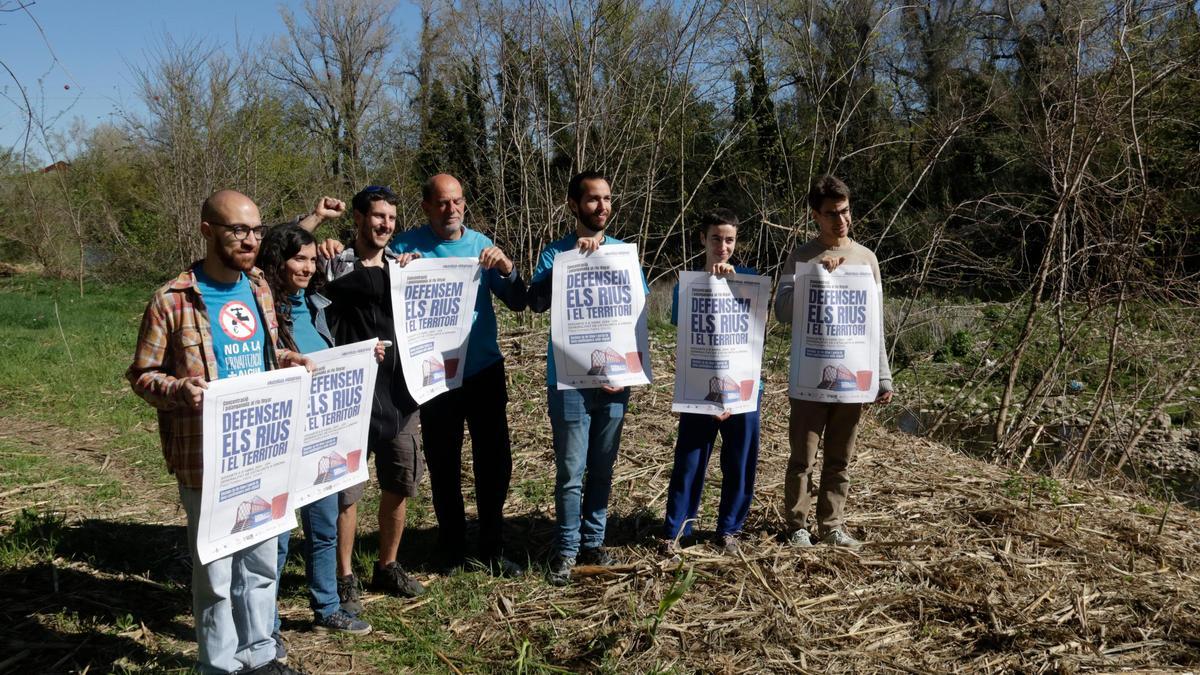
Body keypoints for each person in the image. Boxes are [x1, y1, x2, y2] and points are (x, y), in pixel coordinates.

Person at [126, 190, 312, 675]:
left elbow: (267, 353)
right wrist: (177, 389)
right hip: (207, 458)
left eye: (256, 231)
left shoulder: (260, 288)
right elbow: (141, 374)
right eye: (237, 230)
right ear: (208, 230)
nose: (250, 241)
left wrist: (288, 361)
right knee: (216, 573)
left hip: (264, 450)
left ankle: (261, 654)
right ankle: (221, 665)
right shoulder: (172, 300)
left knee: (262, 563)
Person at [389, 174, 527, 575]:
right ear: (427, 207)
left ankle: (492, 545)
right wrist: (400, 273)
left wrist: (507, 267)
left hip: (482, 369)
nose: (452, 209)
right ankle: (451, 546)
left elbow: (518, 302)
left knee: (494, 460)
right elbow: (385, 297)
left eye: (458, 201)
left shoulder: (481, 245)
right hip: (433, 374)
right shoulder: (405, 247)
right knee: (443, 459)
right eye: (443, 203)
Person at [298, 186, 426, 606]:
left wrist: (418, 272)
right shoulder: (332, 263)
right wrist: (316, 226)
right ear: (357, 217)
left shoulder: (402, 264)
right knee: (346, 491)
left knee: (399, 483)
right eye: (377, 216)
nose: (385, 224)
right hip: (349, 399)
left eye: (391, 217)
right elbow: (280, 254)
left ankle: (387, 566)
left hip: (401, 396)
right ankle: (344, 576)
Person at [256, 224, 374, 652]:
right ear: (277, 261)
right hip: (284, 437)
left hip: (324, 433)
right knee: (279, 536)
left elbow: (333, 355)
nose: (306, 268)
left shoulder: (316, 302)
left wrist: (363, 356)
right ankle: (265, 626)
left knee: (323, 527)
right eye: (297, 259)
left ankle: (326, 608)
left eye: (311, 260)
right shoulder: (262, 307)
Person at [529, 170, 648, 586]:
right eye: (594, 199)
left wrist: (628, 368)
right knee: (570, 470)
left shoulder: (623, 255)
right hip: (569, 383)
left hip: (615, 383)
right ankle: (565, 549)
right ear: (574, 205)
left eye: (608, 198)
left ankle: (594, 541)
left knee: (602, 467)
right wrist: (571, 263)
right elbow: (537, 303)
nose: (603, 206)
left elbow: (636, 316)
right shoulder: (555, 254)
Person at [773, 175, 894, 550]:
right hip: (810, 378)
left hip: (851, 381)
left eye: (844, 212)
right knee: (802, 458)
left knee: (840, 459)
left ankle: (832, 525)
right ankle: (797, 525)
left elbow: (874, 324)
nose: (840, 220)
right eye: (830, 214)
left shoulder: (866, 259)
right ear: (816, 216)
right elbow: (782, 312)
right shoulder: (802, 257)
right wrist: (816, 280)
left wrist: (883, 377)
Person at [661, 209, 761, 556]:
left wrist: (732, 283)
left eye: (729, 239)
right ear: (702, 239)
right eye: (716, 238)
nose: (723, 246)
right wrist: (710, 284)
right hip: (699, 389)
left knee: (740, 462)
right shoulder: (686, 285)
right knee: (689, 461)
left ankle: (730, 529)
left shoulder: (750, 280)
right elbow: (683, 332)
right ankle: (676, 530)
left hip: (743, 391)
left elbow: (757, 332)